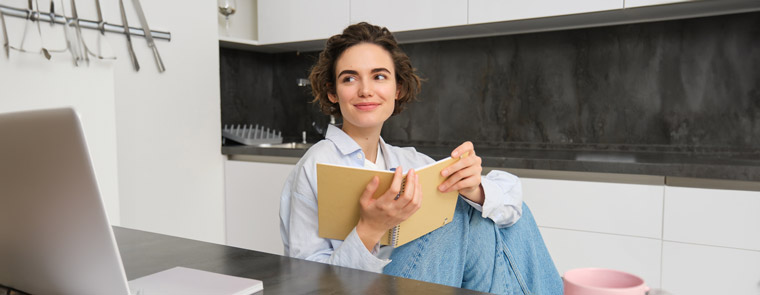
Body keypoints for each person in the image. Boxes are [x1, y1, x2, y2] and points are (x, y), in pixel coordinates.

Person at [279, 22, 562, 294]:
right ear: (332, 92)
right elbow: (309, 287)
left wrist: (474, 189)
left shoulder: (408, 161)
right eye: (350, 78)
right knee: (456, 215)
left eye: (379, 76)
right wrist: (369, 229)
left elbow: (512, 203)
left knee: (495, 213)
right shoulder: (316, 167)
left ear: (397, 89)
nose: (365, 89)